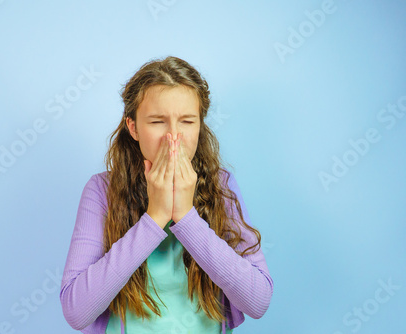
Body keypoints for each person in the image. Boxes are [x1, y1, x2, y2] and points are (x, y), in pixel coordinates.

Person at [59, 56, 273, 334]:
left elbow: (257, 302)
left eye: (186, 121)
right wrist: (156, 216)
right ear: (133, 127)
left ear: (200, 126)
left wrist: (186, 218)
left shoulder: (222, 185)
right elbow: (76, 312)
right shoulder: (101, 191)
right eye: (158, 122)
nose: (173, 137)